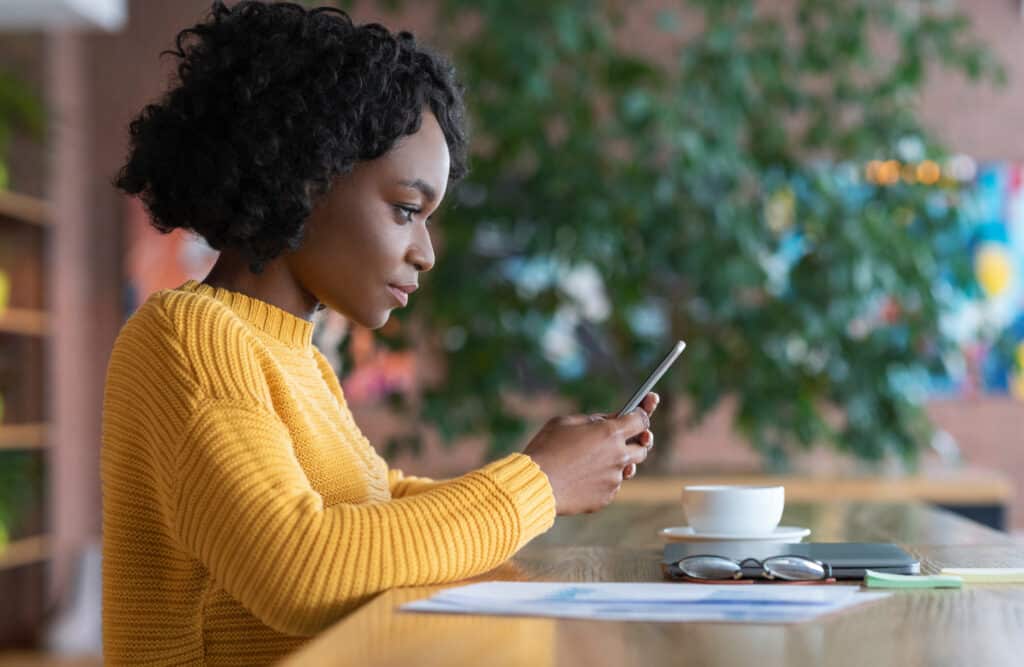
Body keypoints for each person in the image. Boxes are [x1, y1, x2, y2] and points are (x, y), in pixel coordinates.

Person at [101, 2, 658, 664]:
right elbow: (296, 568)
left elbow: (373, 502)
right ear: (307, 176)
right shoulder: (186, 335)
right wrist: (537, 483)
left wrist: (552, 476)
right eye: (405, 210)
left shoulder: (294, 356)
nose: (425, 251)